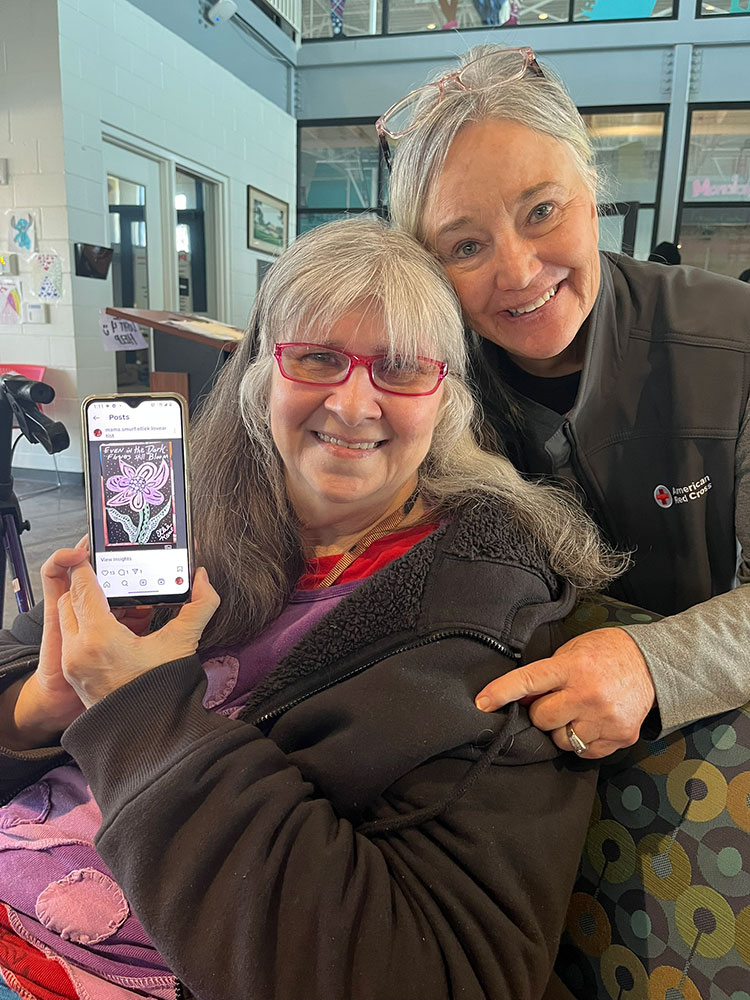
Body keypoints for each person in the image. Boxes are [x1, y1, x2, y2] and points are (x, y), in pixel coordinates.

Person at [0, 219, 622, 1000]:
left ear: (448, 403)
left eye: (399, 368)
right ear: (266, 378)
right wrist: (35, 710)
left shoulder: (490, 612)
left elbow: (446, 976)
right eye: (318, 357)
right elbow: (19, 668)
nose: (354, 403)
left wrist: (137, 714)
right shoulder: (172, 515)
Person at [378, 43, 750, 759]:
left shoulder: (732, 338)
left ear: (593, 187)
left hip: (693, 739)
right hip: (487, 744)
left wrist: (653, 664)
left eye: (542, 210)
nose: (518, 271)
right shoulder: (418, 375)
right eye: (465, 247)